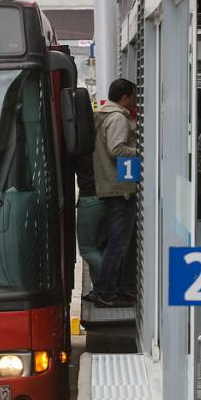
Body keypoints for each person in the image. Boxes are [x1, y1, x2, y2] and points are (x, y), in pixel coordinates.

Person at [85, 78, 139, 308]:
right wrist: (142, 150)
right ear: (125, 97)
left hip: (111, 187)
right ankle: (105, 291)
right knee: (118, 245)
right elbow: (117, 149)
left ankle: (122, 288)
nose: (137, 100)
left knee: (120, 243)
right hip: (120, 189)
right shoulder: (117, 118)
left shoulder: (105, 116)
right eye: (134, 95)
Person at [72, 151, 107, 287]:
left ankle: (110, 281)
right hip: (105, 197)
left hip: (89, 199)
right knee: (98, 247)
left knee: (87, 249)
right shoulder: (99, 140)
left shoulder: (82, 146)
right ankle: (99, 288)